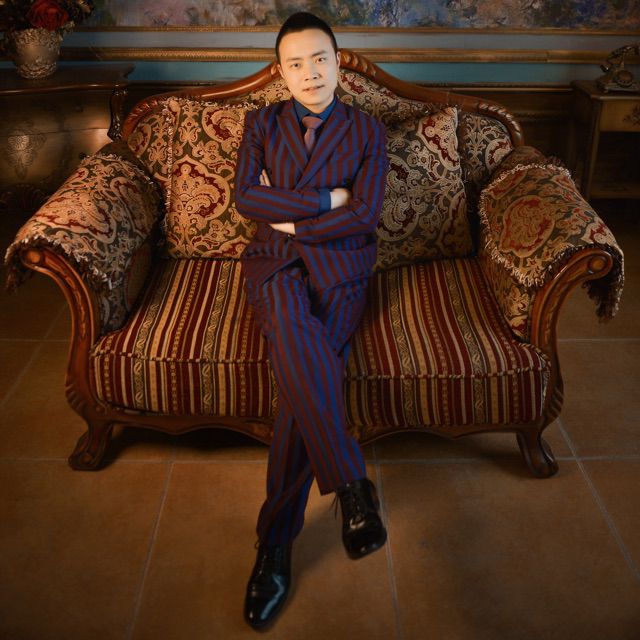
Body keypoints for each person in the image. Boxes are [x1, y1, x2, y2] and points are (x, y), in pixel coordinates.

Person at [235, 11, 390, 630]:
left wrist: (292, 217)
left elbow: (367, 213)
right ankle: (351, 485)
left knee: (300, 391)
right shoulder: (260, 123)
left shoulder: (367, 129)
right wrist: (328, 199)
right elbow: (246, 196)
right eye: (295, 63)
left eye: (320, 58)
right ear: (281, 71)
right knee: (300, 343)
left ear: (338, 61)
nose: (310, 73)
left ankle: (273, 547)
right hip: (275, 266)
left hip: (343, 271)